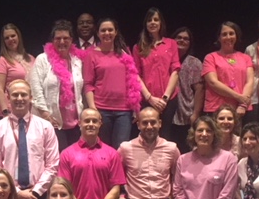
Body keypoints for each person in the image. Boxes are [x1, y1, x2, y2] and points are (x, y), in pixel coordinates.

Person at [83, 18, 141, 149]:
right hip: (102, 110)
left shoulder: (125, 53)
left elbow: (133, 80)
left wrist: (136, 107)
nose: (107, 33)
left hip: (124, 111)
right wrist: (93, 109)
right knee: (103, 149)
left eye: (110, 30)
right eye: (103, 30)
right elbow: (88, 84)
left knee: (121, 150)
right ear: (97, 33)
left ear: (116, 32)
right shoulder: (91, 55)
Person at [30, 19, 84, 151]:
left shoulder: (77, 61)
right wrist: (45, 114)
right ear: (52, 40)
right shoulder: (42, 59)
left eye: (66, 38)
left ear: (71, 40)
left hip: (75, 123)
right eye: (58, 38)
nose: (62, 42)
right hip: (51, 121)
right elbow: (36, 90)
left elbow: (80, 90)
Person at [133, 8, 181, 142]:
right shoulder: (138, 47)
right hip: (147, 99)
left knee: (165, 135)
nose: (152, 22)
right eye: (149, 20)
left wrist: (165, 98)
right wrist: (149, 98)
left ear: (161, 23)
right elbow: (136, 75)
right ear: (145, 24)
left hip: (168, 99)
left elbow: (175, 71)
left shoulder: (171, 44)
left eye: (156, 19)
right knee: (147, 135)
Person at [202, 22, 254, 119]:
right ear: (219, 38)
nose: (228, 37)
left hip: (241, 110)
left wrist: (242, 105)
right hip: (216, 109)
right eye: (224, 34)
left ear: (236, 36)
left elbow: (250, 82)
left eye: (231, 33)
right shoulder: (210, 57)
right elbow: (213, 83)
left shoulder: (246, 58)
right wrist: (239, 97)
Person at [171, 27, 204, 154]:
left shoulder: (195, 63)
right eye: (178, 37)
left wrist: (195, 113)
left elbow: (199, 90)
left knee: (186, 150)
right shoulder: (165, 59)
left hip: (186, 113)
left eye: (186, 39)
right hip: (167, 112)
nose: (182, 40)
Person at [0, 23, 35, 118]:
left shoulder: (31, 58)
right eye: (7, 38)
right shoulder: (2, 61)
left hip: (29, 109)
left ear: (18, 37)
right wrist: (5, 111)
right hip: (11, 110)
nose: (10, 39)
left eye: (13, 36)